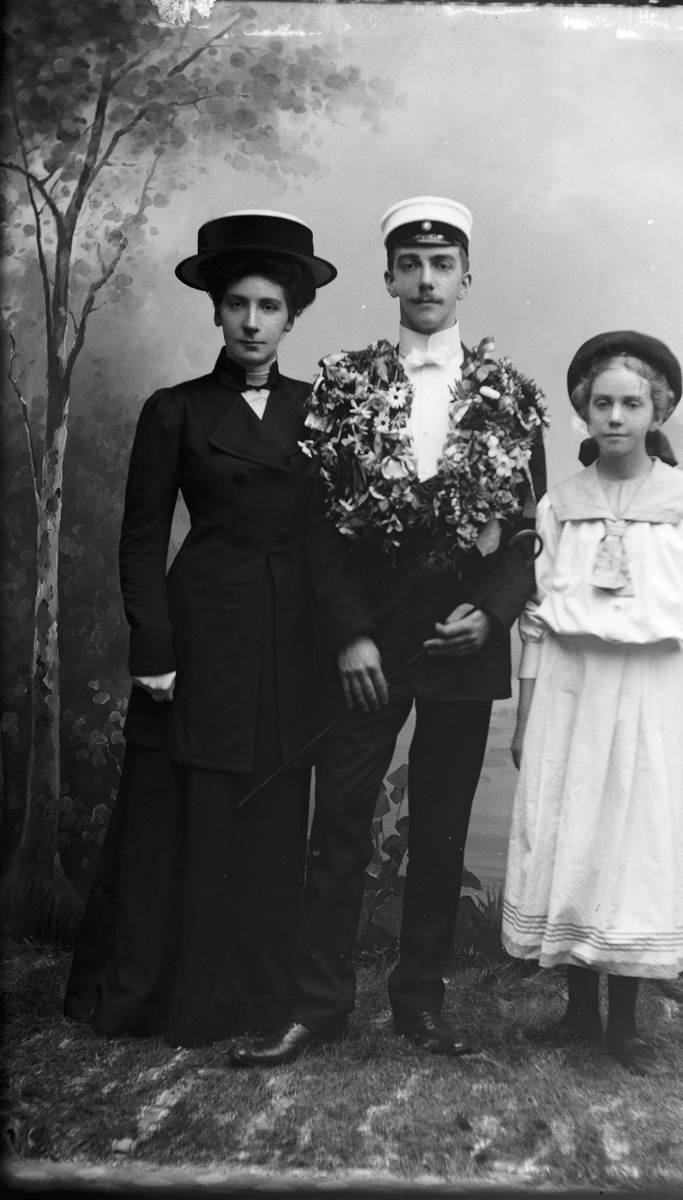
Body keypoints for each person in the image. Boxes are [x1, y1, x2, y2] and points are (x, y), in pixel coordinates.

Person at [228, 196, 547, 1066]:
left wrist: (489, 612)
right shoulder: (346, 386)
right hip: (366, 645)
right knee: (339, 821)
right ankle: (318, 1006)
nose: (426, 280)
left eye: (442, 265)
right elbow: (318, 525)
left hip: (461, 642)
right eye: (410, 265)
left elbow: (530, 535)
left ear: (466, 278)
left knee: (439, 829)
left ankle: (420, 1003)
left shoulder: (511, 397)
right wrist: (349, 636)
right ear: (388, 278)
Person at [64, 211, 337, 1047]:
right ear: (216, 311)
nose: (252, 322)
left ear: (292, 318)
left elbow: (334, 539)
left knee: (272, 806)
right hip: (202, 630)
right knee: (189, 808)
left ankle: (259, 994)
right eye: (237, 305)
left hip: (289, 634)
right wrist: (152, 647)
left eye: (269, 307)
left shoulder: (323, 413)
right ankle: (180, 994)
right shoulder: (174, 410)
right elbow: (142, 538)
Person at [502, 331, 683, 1075]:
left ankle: (625, 1024)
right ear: (583, 410)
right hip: (569, 687)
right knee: (574, 829)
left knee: (633, 838)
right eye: (601, 403)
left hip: (645, 689)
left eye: (631, 404)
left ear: (656, 410)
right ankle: (577, 1011)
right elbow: (534, 617)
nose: (614, 417)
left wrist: (640, 635)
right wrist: (527, 712)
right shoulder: (560, 505)